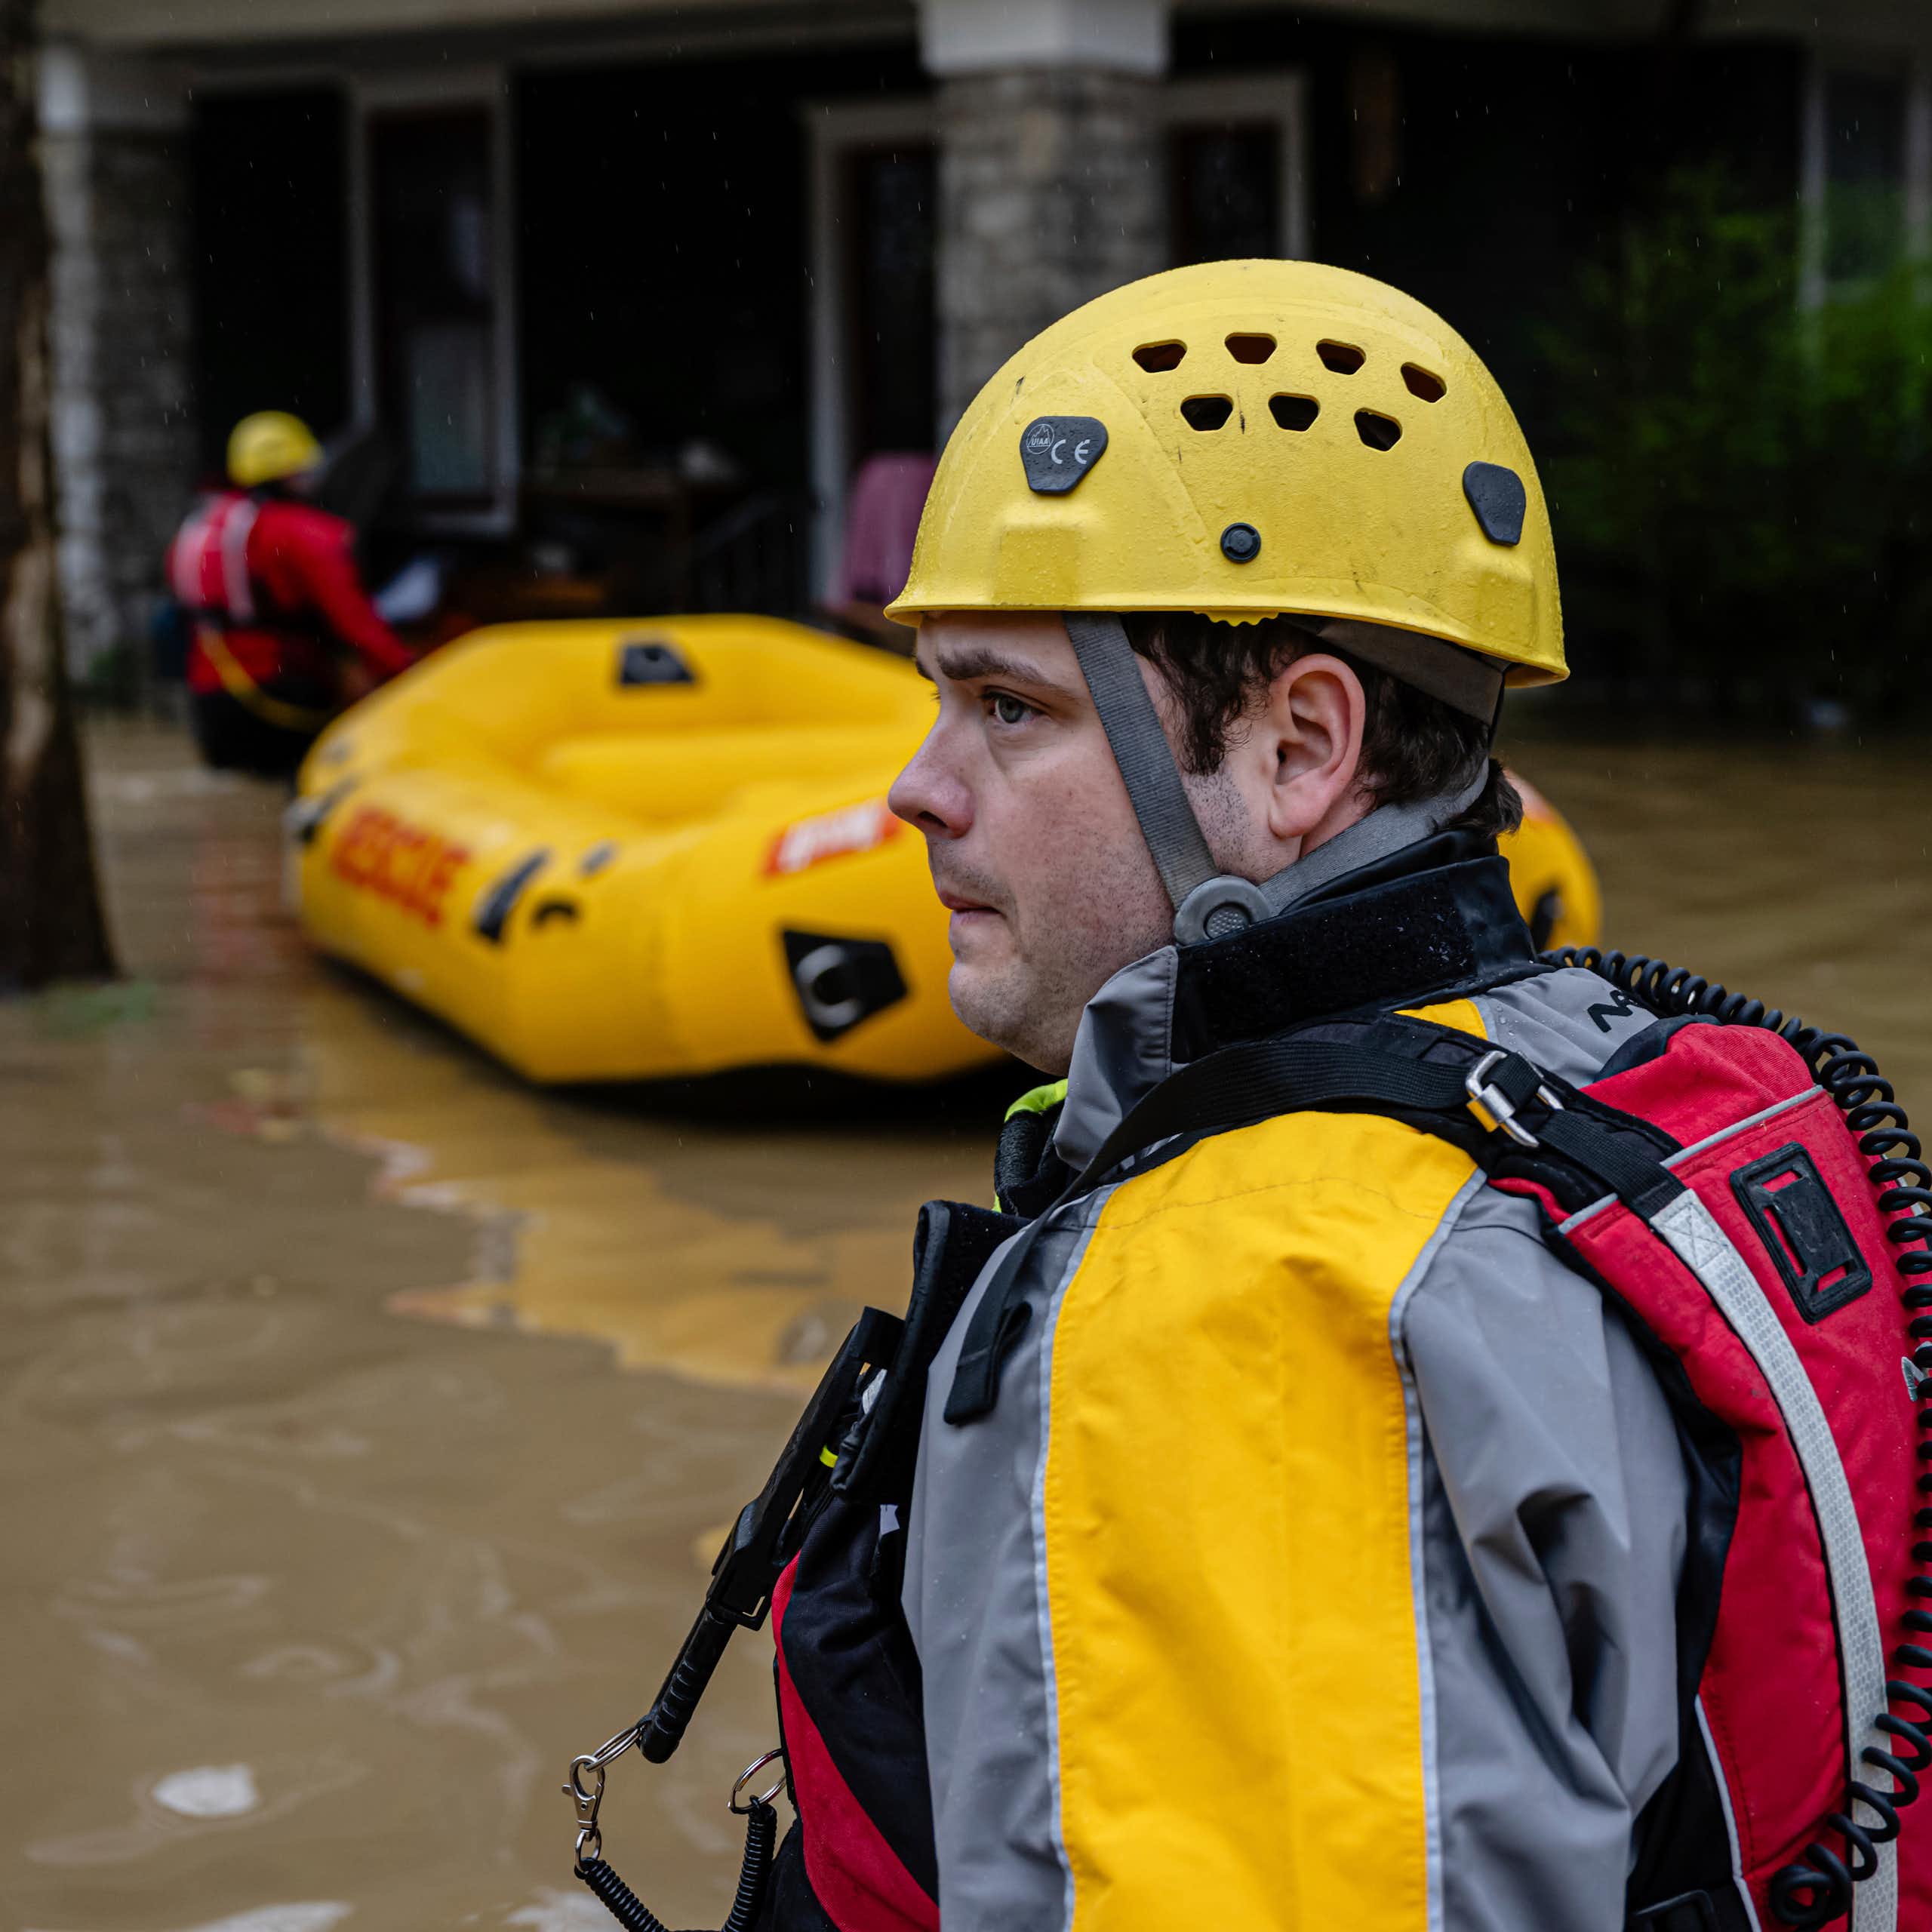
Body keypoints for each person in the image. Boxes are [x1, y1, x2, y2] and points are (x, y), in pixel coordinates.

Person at [598, 261, 1925, 1932]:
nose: (915, 787)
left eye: (1007, 707)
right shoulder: (1606, 1083)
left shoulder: (1247, 1303)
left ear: (1298, 749)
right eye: (933, 694)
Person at [167, 411, 417, 777]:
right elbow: (356, 623)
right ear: (295, 472)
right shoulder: (306, 534)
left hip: (209, 704)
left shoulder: (200, 528)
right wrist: (409, 673)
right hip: (284, 696)